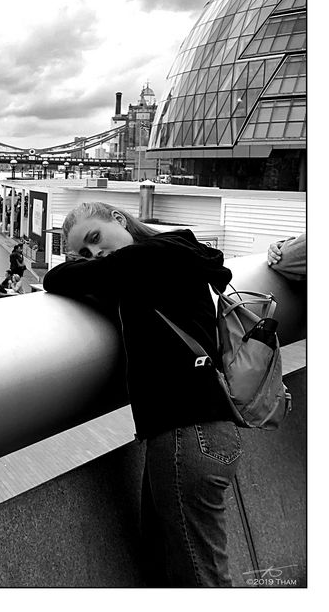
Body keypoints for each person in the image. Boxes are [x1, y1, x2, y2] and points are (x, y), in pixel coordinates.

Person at [43, 201, 239, 587]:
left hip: (186, 433)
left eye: (95, 239)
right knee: (171, 569)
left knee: (202, 580)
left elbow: (58, 279)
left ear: (119, 218)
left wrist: (80, 266)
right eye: (84, 252)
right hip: (202, 430)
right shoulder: (165, 257)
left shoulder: (148, 256)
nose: (94, 254)